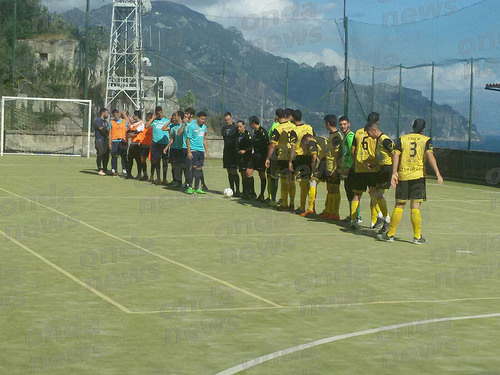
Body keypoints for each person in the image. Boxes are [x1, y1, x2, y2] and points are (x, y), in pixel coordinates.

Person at [377, 118, 443, 244]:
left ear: (412, 127)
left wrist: (394, 173)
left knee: (399, 205)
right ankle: (417, 237)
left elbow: (395, 155)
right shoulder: (426, 140)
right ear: (423, 130)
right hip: (418, 176)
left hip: (403, 176)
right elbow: (430, 155)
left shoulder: (403, 139)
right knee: (415, 207)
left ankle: (390, 235)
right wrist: (437, 173)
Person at [349, 112, 380, 229]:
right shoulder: (376, 133)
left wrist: (356, 163)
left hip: (360, 168)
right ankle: (373, 221)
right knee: (374, 194)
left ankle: (353, 220)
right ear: (377, 122)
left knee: (357, 194)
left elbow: (353, 151)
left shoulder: (358, 132)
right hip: (372, 168)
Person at [365, 117, 396, 231]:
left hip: (387, 169)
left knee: (377, 193)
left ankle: (386, 219)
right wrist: (375, 164)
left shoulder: (385, 140)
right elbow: (383, 156)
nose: (368, 135)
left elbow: (395, 154)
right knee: (373, 192)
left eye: (368, 133)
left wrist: (395, 171)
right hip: (382, 168)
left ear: (373, 130)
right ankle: (381, 216)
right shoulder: (378, 140)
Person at [265, 109, 296, 211]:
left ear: (277, 117)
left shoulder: (278, 128)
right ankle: (289, 203)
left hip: (280, 157)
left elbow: (273, 144)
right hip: (292, 156)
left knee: (275, 177)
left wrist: (268, 158)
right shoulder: (293, 126)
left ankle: (273, 200)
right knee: (290, 180)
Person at [316, 115, 343, 220]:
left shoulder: (336, 136)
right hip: (328, 166)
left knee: (335, 189)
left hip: (333, 168)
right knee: (330, 188)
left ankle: (335, 213)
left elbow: (338, 154)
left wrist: (335, 168)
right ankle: (328, 210)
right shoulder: (332, 135)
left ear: (327, 123)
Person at [288, 109, 315, 214]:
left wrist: (290, 161)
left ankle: (302, 207)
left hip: (301, 157)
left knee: (303, 184)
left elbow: (293, 146)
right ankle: (312, 207)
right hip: (310, 156)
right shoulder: (309, 127)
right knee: (310, 183)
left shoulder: (294, 130)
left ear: (292, 118)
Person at [338, 116, 359, 222]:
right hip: (347, 167)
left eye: (344, 124)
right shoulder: (345, 137)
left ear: (349, 124)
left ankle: (356, 216)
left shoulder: (350, 136)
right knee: (349, 192)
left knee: (353, 193)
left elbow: (353, 152)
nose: (342, 126)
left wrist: (350, 167)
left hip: (351, 168)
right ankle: (352, 215)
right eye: (341, 124)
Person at [186, 111, 209, 194]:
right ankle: (190, 187)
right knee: (193, 168)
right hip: (193, 150)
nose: (203, 121)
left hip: (201, 151)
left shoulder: (204, 127)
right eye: (202, 119)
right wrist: (189, 152)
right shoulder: (192, 127)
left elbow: (204, 139)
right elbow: (188, 139)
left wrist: (206, 151)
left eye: (204, 119)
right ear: (198, 118)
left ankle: (197, 187)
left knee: (199, 169)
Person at [249, 116, 268, 201]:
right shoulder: (255, 132)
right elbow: (253, 144)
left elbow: (268, 144)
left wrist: (267, 158)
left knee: (262, 175)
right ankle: (252, 193)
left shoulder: (262, 132)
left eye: (250, 123)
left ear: (253, 123)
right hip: (255, 155)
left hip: (261, 156)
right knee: (248, 172)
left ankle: (261, 194)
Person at [150, 106, 171, 185]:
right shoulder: (154, 121)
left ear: (162, 112)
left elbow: (170, 130)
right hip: (156, 143)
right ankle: (158, 178)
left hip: (165, 144)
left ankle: (164, 179)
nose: (159, 114)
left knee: (165, 161)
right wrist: (152, 118)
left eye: (160, 113)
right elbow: (146, 126)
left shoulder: (166, 121)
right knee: (156, 161)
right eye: (158, 113)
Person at [221, 112, 240, 196]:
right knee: (229, 171)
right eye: (226, 120)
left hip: (234, 152)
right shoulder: (224, 128)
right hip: (227, 152)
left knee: (234, 171)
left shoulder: (235, 128)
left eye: (228, 119)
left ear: (231, 118)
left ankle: (238, 190)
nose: (227, 121)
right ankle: (231, 189)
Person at [165, 110, 185, 188]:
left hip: (182, 149)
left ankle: (185, 183)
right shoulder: (174, 127)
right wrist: (166, 147)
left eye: (176, 116)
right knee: (175, 166)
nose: (174, 117)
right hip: (175, 149)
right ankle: (178, 181)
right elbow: (173, 139)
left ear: (179, 117)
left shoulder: (185, 126)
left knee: (182, 166)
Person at [236, 120, 255, 199]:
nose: (239, 128)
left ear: (244, 126)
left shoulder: (248, 134)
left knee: (248, 174)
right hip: (240, 158)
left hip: (247, 157)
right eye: (238, 127)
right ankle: (245, 192)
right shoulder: (237, 135)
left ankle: (252, 192)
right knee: (243, 174)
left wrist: (245, 150)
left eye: (240, 127)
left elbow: (252, 145)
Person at [108, 109, 128, 177]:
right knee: (114, 156)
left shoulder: (124, 121)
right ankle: (114, 170)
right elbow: (110, 133)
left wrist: (127, 141)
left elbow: (128, 128)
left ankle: (124, 169)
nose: (116, 116)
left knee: (123, 156)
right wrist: (109, 143)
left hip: (122, 141)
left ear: (119, 114)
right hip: (114, 141)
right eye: (114, 115)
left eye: (117, 114)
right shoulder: (111, 122)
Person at [126, 110, 145, 179]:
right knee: (130, 159)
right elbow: (128, 131)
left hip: (138, 144)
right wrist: (130, 133)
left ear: (137, 116)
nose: (133, 117)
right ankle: (129, 173)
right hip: (132, 143)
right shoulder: (133, 123)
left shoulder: (141, 123)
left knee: (138, 160)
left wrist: (132, 134)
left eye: (134, 115)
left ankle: (139, 174)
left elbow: (137, 131)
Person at [136, 112, 153, 181]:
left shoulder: (153, 126)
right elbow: (143, 135)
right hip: (144, 145)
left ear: (149, 118)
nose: (146, 118)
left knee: (152, 161)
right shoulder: (145, 126)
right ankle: (145, 174)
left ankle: (152, 176)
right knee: (142, 160)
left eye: (147, 117)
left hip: (150, 146)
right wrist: (141, 141)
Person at [182, 107, 196, 190]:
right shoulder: (185, 123)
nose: (185, 115)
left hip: (191, 149)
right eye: (185, 113)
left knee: (192, 167)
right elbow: (179, 133)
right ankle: (186, 182)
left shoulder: (195, 123)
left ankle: (191, 184)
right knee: (185, 167)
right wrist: (183, 124)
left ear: (191, 115)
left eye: (187, 114)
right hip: (183, 147)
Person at [94, 108, 110, 175]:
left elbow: (108, 131)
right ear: (102, 113)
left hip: (106, 140)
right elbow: (102, 129)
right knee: (100, 154)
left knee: (106, 154)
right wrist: (107, 130)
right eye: (106, 113)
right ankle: (99, 169)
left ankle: (105, 168)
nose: (108, 114)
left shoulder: (106, 122)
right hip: (99, 140)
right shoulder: (98, 120)